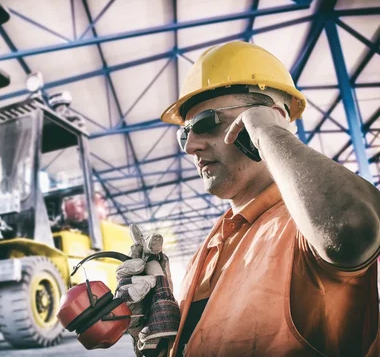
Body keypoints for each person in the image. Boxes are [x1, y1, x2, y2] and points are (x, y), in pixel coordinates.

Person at [115, 41, 380, 356]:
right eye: (184, 134)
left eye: (205, 123)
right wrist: (160, 337)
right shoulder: (210, 248)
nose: (190, 147)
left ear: (272, 117)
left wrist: (272, 133)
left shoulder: (304, 227)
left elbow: (351, 225)